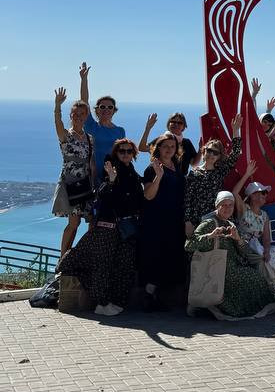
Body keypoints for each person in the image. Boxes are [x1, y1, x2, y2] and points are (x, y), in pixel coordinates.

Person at [57, 139, 144, 316]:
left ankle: (113, 301)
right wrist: (111, 180)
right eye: (121, 151)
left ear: (133, 154)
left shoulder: (132, 172)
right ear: (116, 153)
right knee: (101, 265)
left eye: (129, 151)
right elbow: (103, 193)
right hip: (108, 227)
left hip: (126, 229)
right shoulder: (112, 170)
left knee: (123, 265)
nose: (125, 154)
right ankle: (101, 302)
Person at [185, 191, 275, 321]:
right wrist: (210, 236)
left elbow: (245, 252)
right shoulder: (209, 223)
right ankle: (221, 308)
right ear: (217, 206)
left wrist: (238, 239)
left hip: (232, 267)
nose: (227, 208)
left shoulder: (230, 224)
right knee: (246, 278)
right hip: (215, 269)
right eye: (224, 205)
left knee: (256, 277)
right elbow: (189, 245)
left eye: (230, 205)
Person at [137, 132, 186, 310]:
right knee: (155, 257)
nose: (169, 149)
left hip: (174, 220)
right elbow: (148, 195)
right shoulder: (152, 168)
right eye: (165, 146)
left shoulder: (176, 167)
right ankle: (148, 296)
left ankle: (158, 297)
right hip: (156, 220)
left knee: (170, 256)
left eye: (172, 146)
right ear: (158, 148)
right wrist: (158, 176)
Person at [51, 87, 95, 257]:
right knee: (74, 222)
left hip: (84, 183)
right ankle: (63, 257)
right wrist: (57, 106)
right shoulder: (66, 135)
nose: (78, 117)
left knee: (81, 222)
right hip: (70, 182)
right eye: (75, 114)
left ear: (86, 116)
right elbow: (58, 123)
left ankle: (69, 256)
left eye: (81, 114)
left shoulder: (89, 138)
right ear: (71, 115)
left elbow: (91, 162)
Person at [184, 117, 244, 237]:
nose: (211, 154)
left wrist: (235, 131)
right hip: (198, 220)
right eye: (209, 150)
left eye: (215, 152)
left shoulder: (220, 171)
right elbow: (187, 199)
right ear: (204, 151)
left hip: (217, 218)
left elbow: (235, 153)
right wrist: (187, 221)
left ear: (219, 157)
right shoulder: (193, 173)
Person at [232, 179, 275, 287]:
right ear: (253, 195)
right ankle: (267, 285)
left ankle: (268, 285)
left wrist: (267, 250)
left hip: (254, 247)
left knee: (268, 257)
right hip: (241, 245)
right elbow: (234, 193)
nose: (266, 195)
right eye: (263, 192)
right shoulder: (244, 209)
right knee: (262, 260)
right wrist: (247, 174)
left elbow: (266, 238)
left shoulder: (264, 215)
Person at [79, 62, 126, 180]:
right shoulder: (91, 126)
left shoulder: (120, 131)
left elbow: (123, 155)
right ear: (97, 110)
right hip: (94, 175)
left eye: (110, 107)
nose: (106, 109)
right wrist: (84, 79)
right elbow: (84, 101)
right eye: (102, 107)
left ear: (114, 110)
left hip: (115, 176)